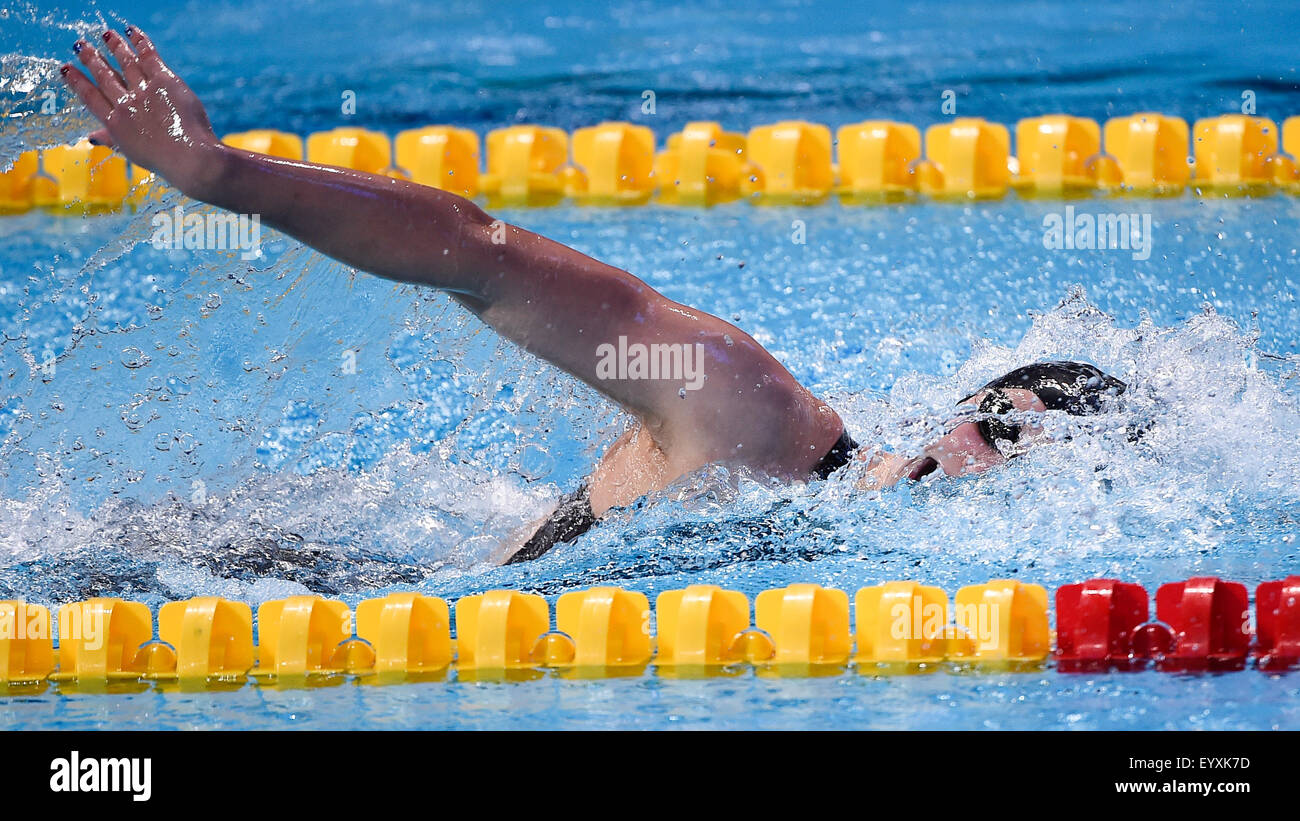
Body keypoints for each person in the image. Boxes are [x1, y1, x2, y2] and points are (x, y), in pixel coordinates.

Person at [59, 28, 1128, 565]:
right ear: (960, 408)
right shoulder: (743, 404)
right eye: (998, 424)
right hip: (280, 593)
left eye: (1033, 468)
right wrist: (223, 176)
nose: (986, 466)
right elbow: (477, 254)